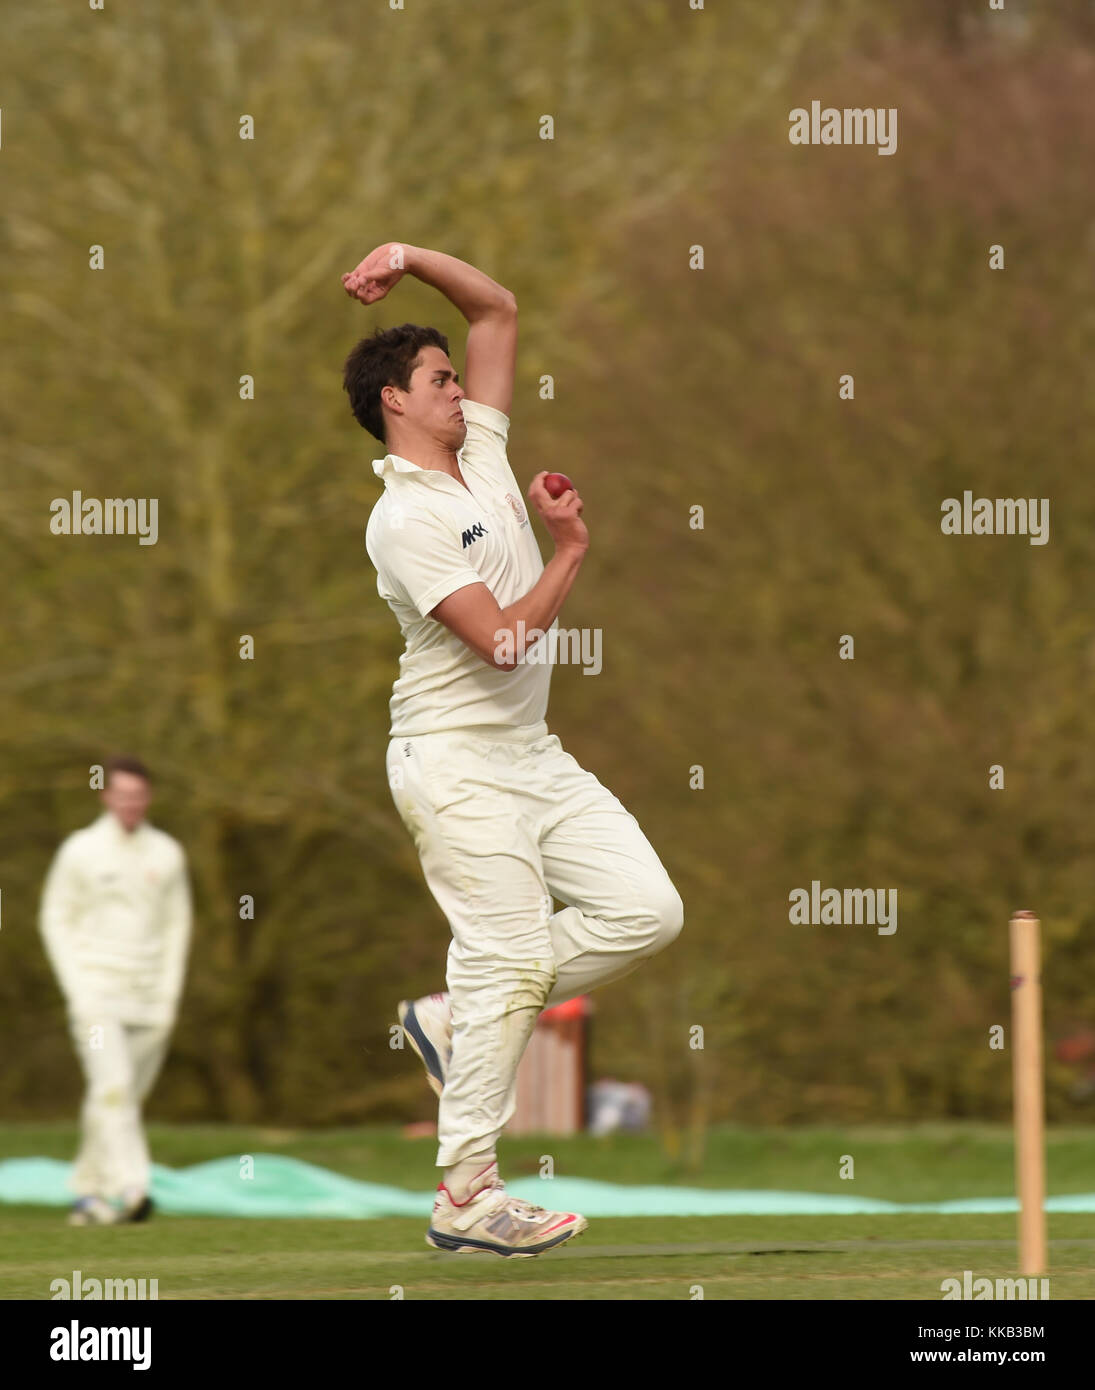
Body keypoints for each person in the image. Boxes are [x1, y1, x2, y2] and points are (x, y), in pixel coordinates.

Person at [341, 243, 684, 1258]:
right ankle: (467, 1195)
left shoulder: (480, 455)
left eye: (454, 377)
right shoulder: (404, 518)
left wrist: (406, 256)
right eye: (438, 381)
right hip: (451, 763)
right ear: (396, 403)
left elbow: (496, 310)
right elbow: (499, 641)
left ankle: (461, 1016)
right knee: (512, 959)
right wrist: (571, 550)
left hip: (532, 755)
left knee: (647, 910)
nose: (459, 389)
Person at [38, 756, 192, 1226]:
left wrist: (167, 999)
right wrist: (78, 991)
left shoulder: (167, 853)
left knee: (116, 1098)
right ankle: (133, 1188)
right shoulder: (80, 850)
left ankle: (89, 1195)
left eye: (138, 795)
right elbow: (55, 919)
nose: (131, 804)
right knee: (114, 1086)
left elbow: (176, 927)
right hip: (96, 993)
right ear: (106, 794)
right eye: (122, 795)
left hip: (148, 998)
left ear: (147, 798)